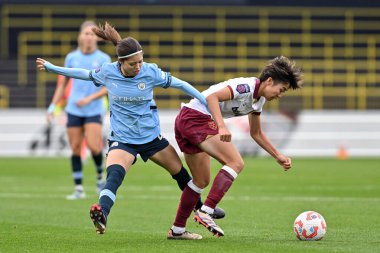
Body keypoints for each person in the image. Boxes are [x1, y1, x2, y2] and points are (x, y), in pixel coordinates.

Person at [36, 22, 224, 240]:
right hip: (123, 140)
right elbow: (83, 73)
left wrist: (207, 104)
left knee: (180, 173)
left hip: (151, 138)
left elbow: (182, 85)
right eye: (133, 63)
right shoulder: (107, 72)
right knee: (114, 176)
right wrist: (53, 68)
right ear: (121, 62)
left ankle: (200, 210)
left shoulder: (150, 71)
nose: (138, 67)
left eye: (140, 61)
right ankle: (102, 214)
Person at [169, 56, 303, 238]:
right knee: (235, 162)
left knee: (201, 180)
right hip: (196, 117)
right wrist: (221, 126)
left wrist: (277, 155)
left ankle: (177, 230)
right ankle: (206, 212)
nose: (280, 95)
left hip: (186, 118)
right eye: (282, 90)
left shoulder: (259, 100)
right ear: (270, 81)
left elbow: (256, 133)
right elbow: (212, 97)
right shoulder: (246, 86)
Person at [46, 21, 111, 200]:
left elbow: (109, 86)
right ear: (80, 36)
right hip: (74, 109)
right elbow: (63, 84)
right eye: (85, 33)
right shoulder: (71, 57)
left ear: (97, 38)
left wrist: (89, 99)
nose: (88, 37)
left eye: (92, 34)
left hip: (93, 109)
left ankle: (99, 178)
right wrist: (53, 106)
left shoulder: (104, 59)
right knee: (75, 148)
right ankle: (78, 189)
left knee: (94, 146)